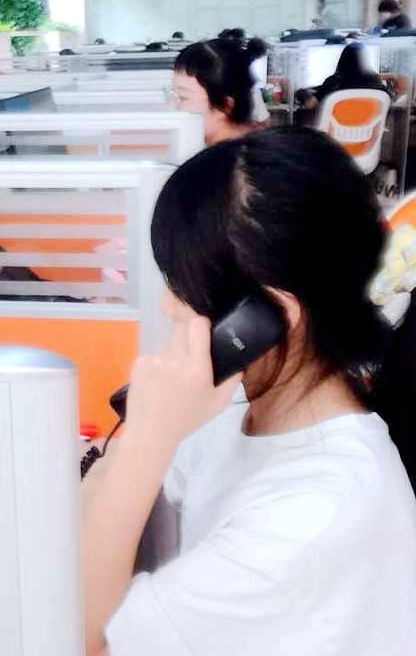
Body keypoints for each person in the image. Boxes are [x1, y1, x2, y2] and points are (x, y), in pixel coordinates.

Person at [83, 126, 416, 656]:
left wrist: (145, 441)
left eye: (183, 284)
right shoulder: (238, 405)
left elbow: (75, 637)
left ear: (268, 317)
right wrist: (138, 442)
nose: (169, 303)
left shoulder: (317, 512)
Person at [171, 37, 267, 144]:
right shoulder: (244, 142)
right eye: (173, 94)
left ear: (226, 106)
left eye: (183, 97)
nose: (172, 106)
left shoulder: (239, 153)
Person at [297, 42, 388, 112]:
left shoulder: (334, 83)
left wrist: (303, 94)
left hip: (335, 131)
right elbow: (388, 100)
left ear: (342, 60)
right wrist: (391, 77)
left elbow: (311, 104)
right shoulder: (375, 84)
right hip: (368, 130)